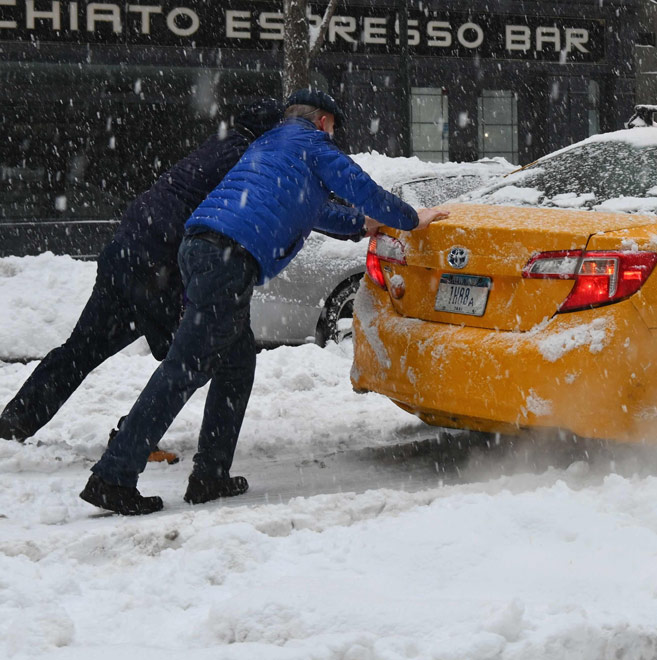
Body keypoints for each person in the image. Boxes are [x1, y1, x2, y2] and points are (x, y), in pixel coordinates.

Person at [80, 89, 449, 515]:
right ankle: (114, 475)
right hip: (227, 257)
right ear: (324, 121)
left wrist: (361, 225)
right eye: (334, 128)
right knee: (185, 368)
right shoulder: (312, 144)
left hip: (202, 246)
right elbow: (361, 187)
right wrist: (410, 218)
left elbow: (313, 210)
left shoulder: (271, 145)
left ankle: (211, 475)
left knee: (236, 363)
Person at [0, 98, 284, 449]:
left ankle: (16, 420)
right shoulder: (247, 161)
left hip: (126, 247)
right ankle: (132, 439)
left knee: (83, 347)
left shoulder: (218, 145)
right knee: (192, 356)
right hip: (159, 262)